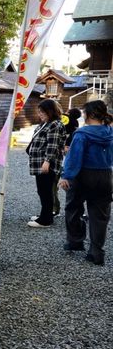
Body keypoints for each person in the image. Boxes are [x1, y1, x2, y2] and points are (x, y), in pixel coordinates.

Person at [59, 100, 113, 265]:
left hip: (83, 175)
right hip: (105, 175)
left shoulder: (82, 134)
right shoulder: (110, 132)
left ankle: (75, 241)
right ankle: (96, 252)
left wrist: (66, 175)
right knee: (100, 216)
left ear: (88, 114)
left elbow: (74, 158)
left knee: (73, 207)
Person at [26, 99, 66, 227]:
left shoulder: (54, 124)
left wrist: (47, 161)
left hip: (47, 164)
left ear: (50, 111)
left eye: (43, 112)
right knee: (42, 190)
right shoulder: (46, 123)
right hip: (40, 163)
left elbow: (52, 145)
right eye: (39, 112)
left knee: (46, 191)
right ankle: (45, 214)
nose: (40, 114)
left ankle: (46, 220)